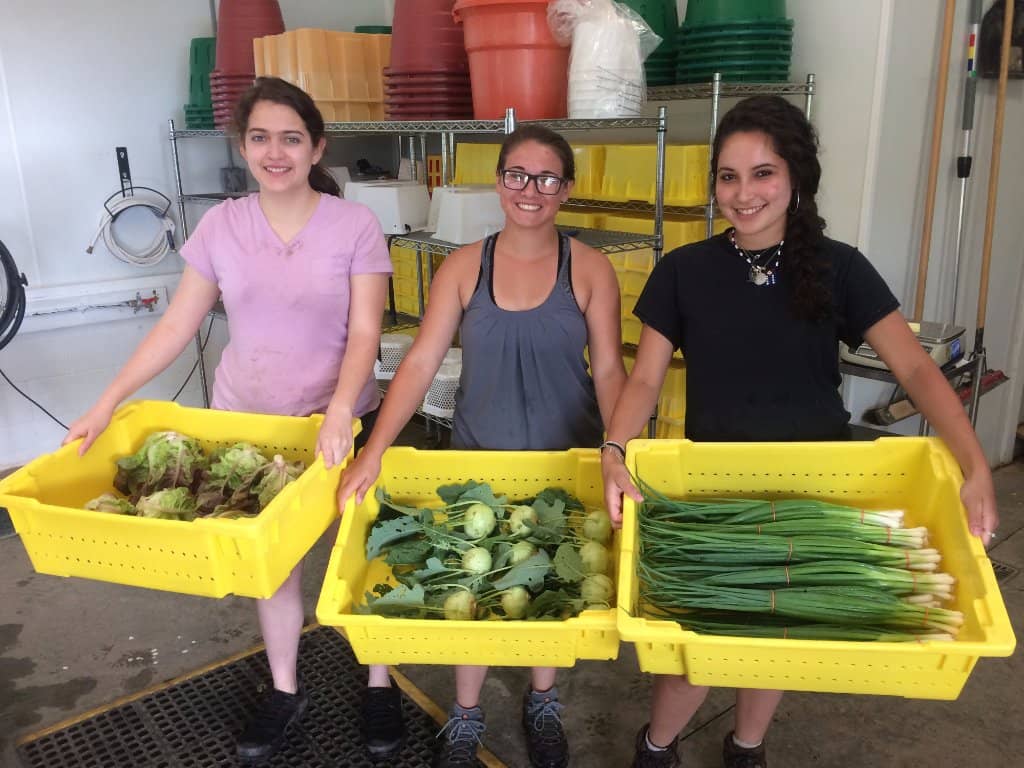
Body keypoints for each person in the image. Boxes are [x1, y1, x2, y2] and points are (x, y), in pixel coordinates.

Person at [599, 95, 999, 768]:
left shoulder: (839, 267)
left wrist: (977, 468)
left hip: (810, 490)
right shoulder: (684, 271)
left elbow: (917, 371)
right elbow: (642, 381)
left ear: (796, 180)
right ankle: (657, 746)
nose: (743, 192)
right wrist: (615, 450)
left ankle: (746, 747)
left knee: (782, 633)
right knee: (699, 646)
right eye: (729, 175)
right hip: (715, 491)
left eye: (763, 173)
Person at [63, 77, 404, 763]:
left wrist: (339, 409)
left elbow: (366, 331)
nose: (274, 153)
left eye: (290, 138)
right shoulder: (221, 225)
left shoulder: (354, 226)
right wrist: (108, 401)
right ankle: (284, 690)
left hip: (335, 423)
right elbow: (175, 325)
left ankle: (379, 678)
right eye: (259, 138)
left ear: (317, 147)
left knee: (364, 551)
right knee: (269, 566)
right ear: (243, 145)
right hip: (246, 426)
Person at [338, 124, 628, 768]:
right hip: (478, 459)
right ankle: (466, 713)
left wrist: (621, 452)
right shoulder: (466, 265)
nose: (531, 190)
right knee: (472, 586)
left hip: (567, 457)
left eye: (547, 178)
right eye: (517, 175)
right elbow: (418, 364)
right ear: (499, 182)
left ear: (567, 189)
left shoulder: (590, 269)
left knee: (554, 583)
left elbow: (610, 371)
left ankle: (542, 700)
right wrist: (374, 448)